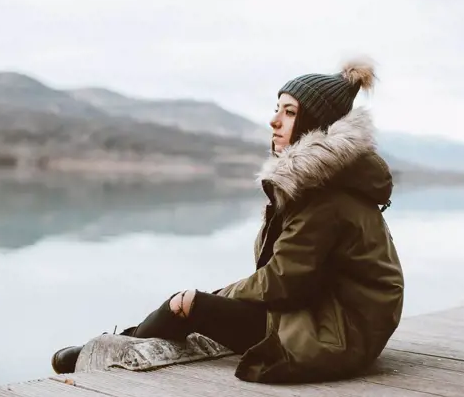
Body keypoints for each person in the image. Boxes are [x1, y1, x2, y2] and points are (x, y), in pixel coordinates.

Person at [51, 59, 404, 383]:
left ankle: (107, 349)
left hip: (336, 333)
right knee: (208, 303)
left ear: (316, 124)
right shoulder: (328, 184)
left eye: (289, 111)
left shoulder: (326, 197)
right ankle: (121, 341)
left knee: (189, 302)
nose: (274, 121)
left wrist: (219, 295)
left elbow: (284, 282)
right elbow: (290, 275)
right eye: (276, 109)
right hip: (332, 318)